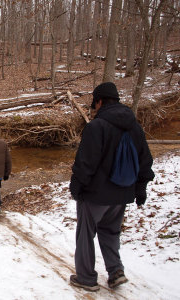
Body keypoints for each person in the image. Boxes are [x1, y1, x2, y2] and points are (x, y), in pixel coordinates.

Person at [69, 82, 154, 292]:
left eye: (94, 103)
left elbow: (85, 163)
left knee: (85, 234)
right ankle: (116, 272)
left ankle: (86, 277)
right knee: (110, 232)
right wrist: (140, 188)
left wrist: (76, 187)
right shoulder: (134, 126)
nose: (94, 107)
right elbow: (145, 160)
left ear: (99, 101)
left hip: (95, 194)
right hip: (122, 193)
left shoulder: (96, 126)